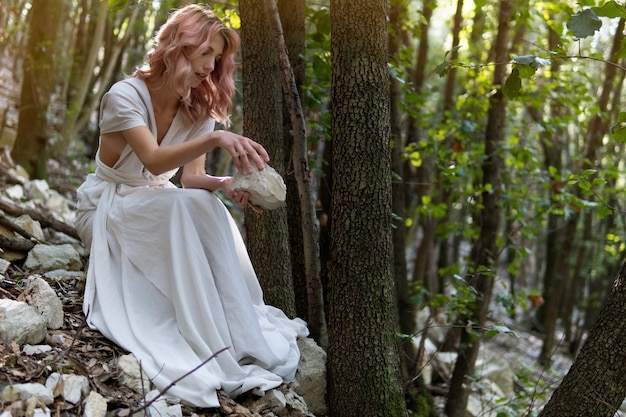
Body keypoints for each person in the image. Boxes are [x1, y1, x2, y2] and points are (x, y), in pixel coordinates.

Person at [74, 4, 308, 408]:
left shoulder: (198, 107)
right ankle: (199, 335)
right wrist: (216, 139)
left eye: (217, 58)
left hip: (157, 206)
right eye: (205, 54)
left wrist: (231, 184)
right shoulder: (125, 96)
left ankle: (224, 328)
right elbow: (152, 161)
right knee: (182, 208)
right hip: (107, 207)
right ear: (179, 47)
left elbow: (192, 179)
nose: (210, 65)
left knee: (203, 204)